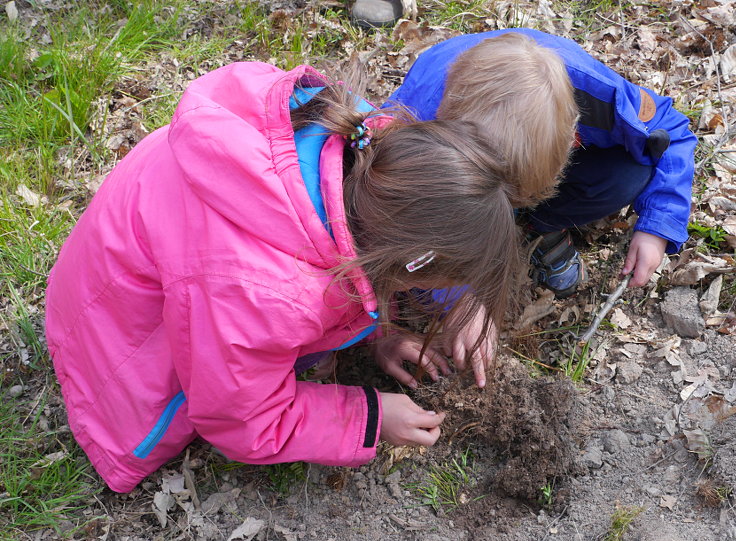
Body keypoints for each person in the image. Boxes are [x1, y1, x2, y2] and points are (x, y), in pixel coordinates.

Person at [45, 61, 522, 492]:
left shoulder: (358, 144)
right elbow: (243, 421)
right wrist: (372, 416)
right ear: (410, 262)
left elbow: (351, 247)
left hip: (111, 281)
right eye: (418, 284)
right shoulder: (267, 292)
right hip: (113, 362)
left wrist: (381, 333)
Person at [388, 29, 698, 297]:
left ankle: (537, 227)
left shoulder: (599, 95)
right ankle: (490, 228)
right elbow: (399, 232)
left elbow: (671, 131)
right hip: (445, 176)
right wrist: (457, 297)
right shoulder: (412, 133)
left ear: (572, 136)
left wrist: (658, 227)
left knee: (631, 171)